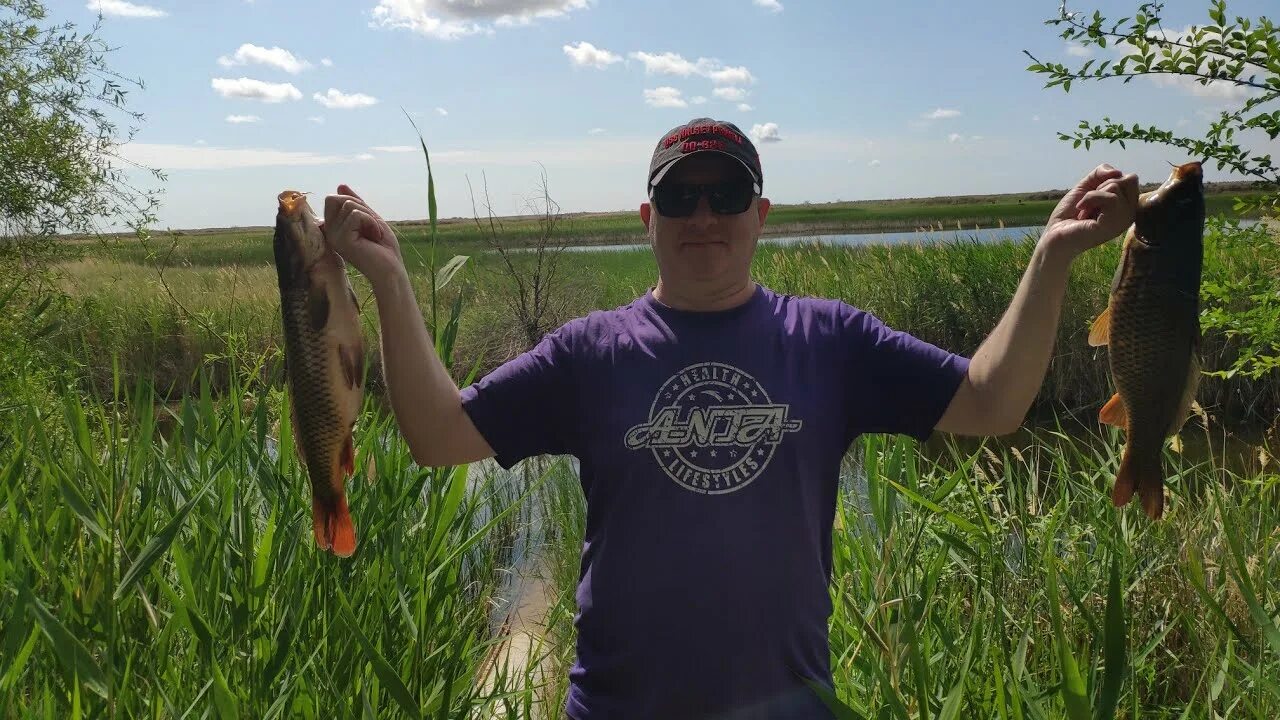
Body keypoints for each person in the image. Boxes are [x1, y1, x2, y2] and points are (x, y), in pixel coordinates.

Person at [322, 117, 1138, 719]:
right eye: (680, 196)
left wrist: (1052, 254)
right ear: (649, 219)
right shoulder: (588, 353)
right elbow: (435, 437)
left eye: (727, 193)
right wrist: (392, 282)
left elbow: (993, 405)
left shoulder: (830, 339)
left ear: (761, 213)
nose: (704, 215)